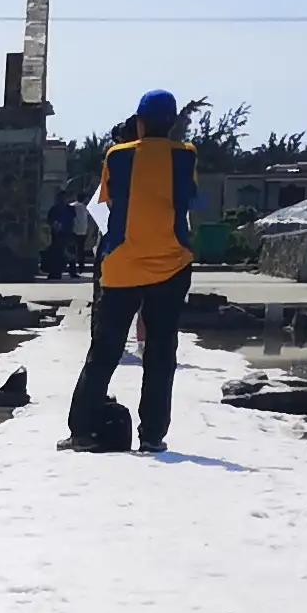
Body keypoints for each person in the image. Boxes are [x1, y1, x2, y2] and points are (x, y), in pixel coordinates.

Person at [67, 89, 198, 452]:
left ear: (139, 121)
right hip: (171, 266)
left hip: (123, 266)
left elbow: (108, 201)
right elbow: (189, 198)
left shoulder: (118, 156)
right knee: (160, 351)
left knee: (105, 351)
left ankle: (82, 430)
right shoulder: (186, 157)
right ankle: (153, 436)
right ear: (171, 123)